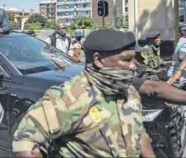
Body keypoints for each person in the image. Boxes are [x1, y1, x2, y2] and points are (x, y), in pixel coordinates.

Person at [12, 29, 155, 157]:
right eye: (127, 60)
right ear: (98, 60)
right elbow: (26, 141)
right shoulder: (69, 97)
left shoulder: (128, 92)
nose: (133, 66)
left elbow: (138, 133)